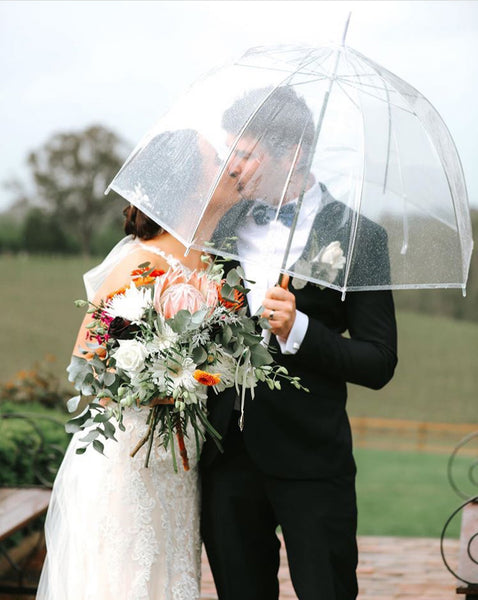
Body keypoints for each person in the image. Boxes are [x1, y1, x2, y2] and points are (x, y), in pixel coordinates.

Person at [200, 87, 398, 599]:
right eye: (230, 153)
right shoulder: (217, 228)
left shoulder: (360, 237)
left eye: (244, 154)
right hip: (228, 458)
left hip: (312, 460)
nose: (233, 167)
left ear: (293, 155)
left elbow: (379, 361)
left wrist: (300, 331)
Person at [37, 129, 239, 600]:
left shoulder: (210, 262)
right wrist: (160, 386)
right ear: (189, 183)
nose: (226, 166)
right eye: (214, 160)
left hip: (179, 459)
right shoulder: (139, 263)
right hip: (128, 453)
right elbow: (87, 366)